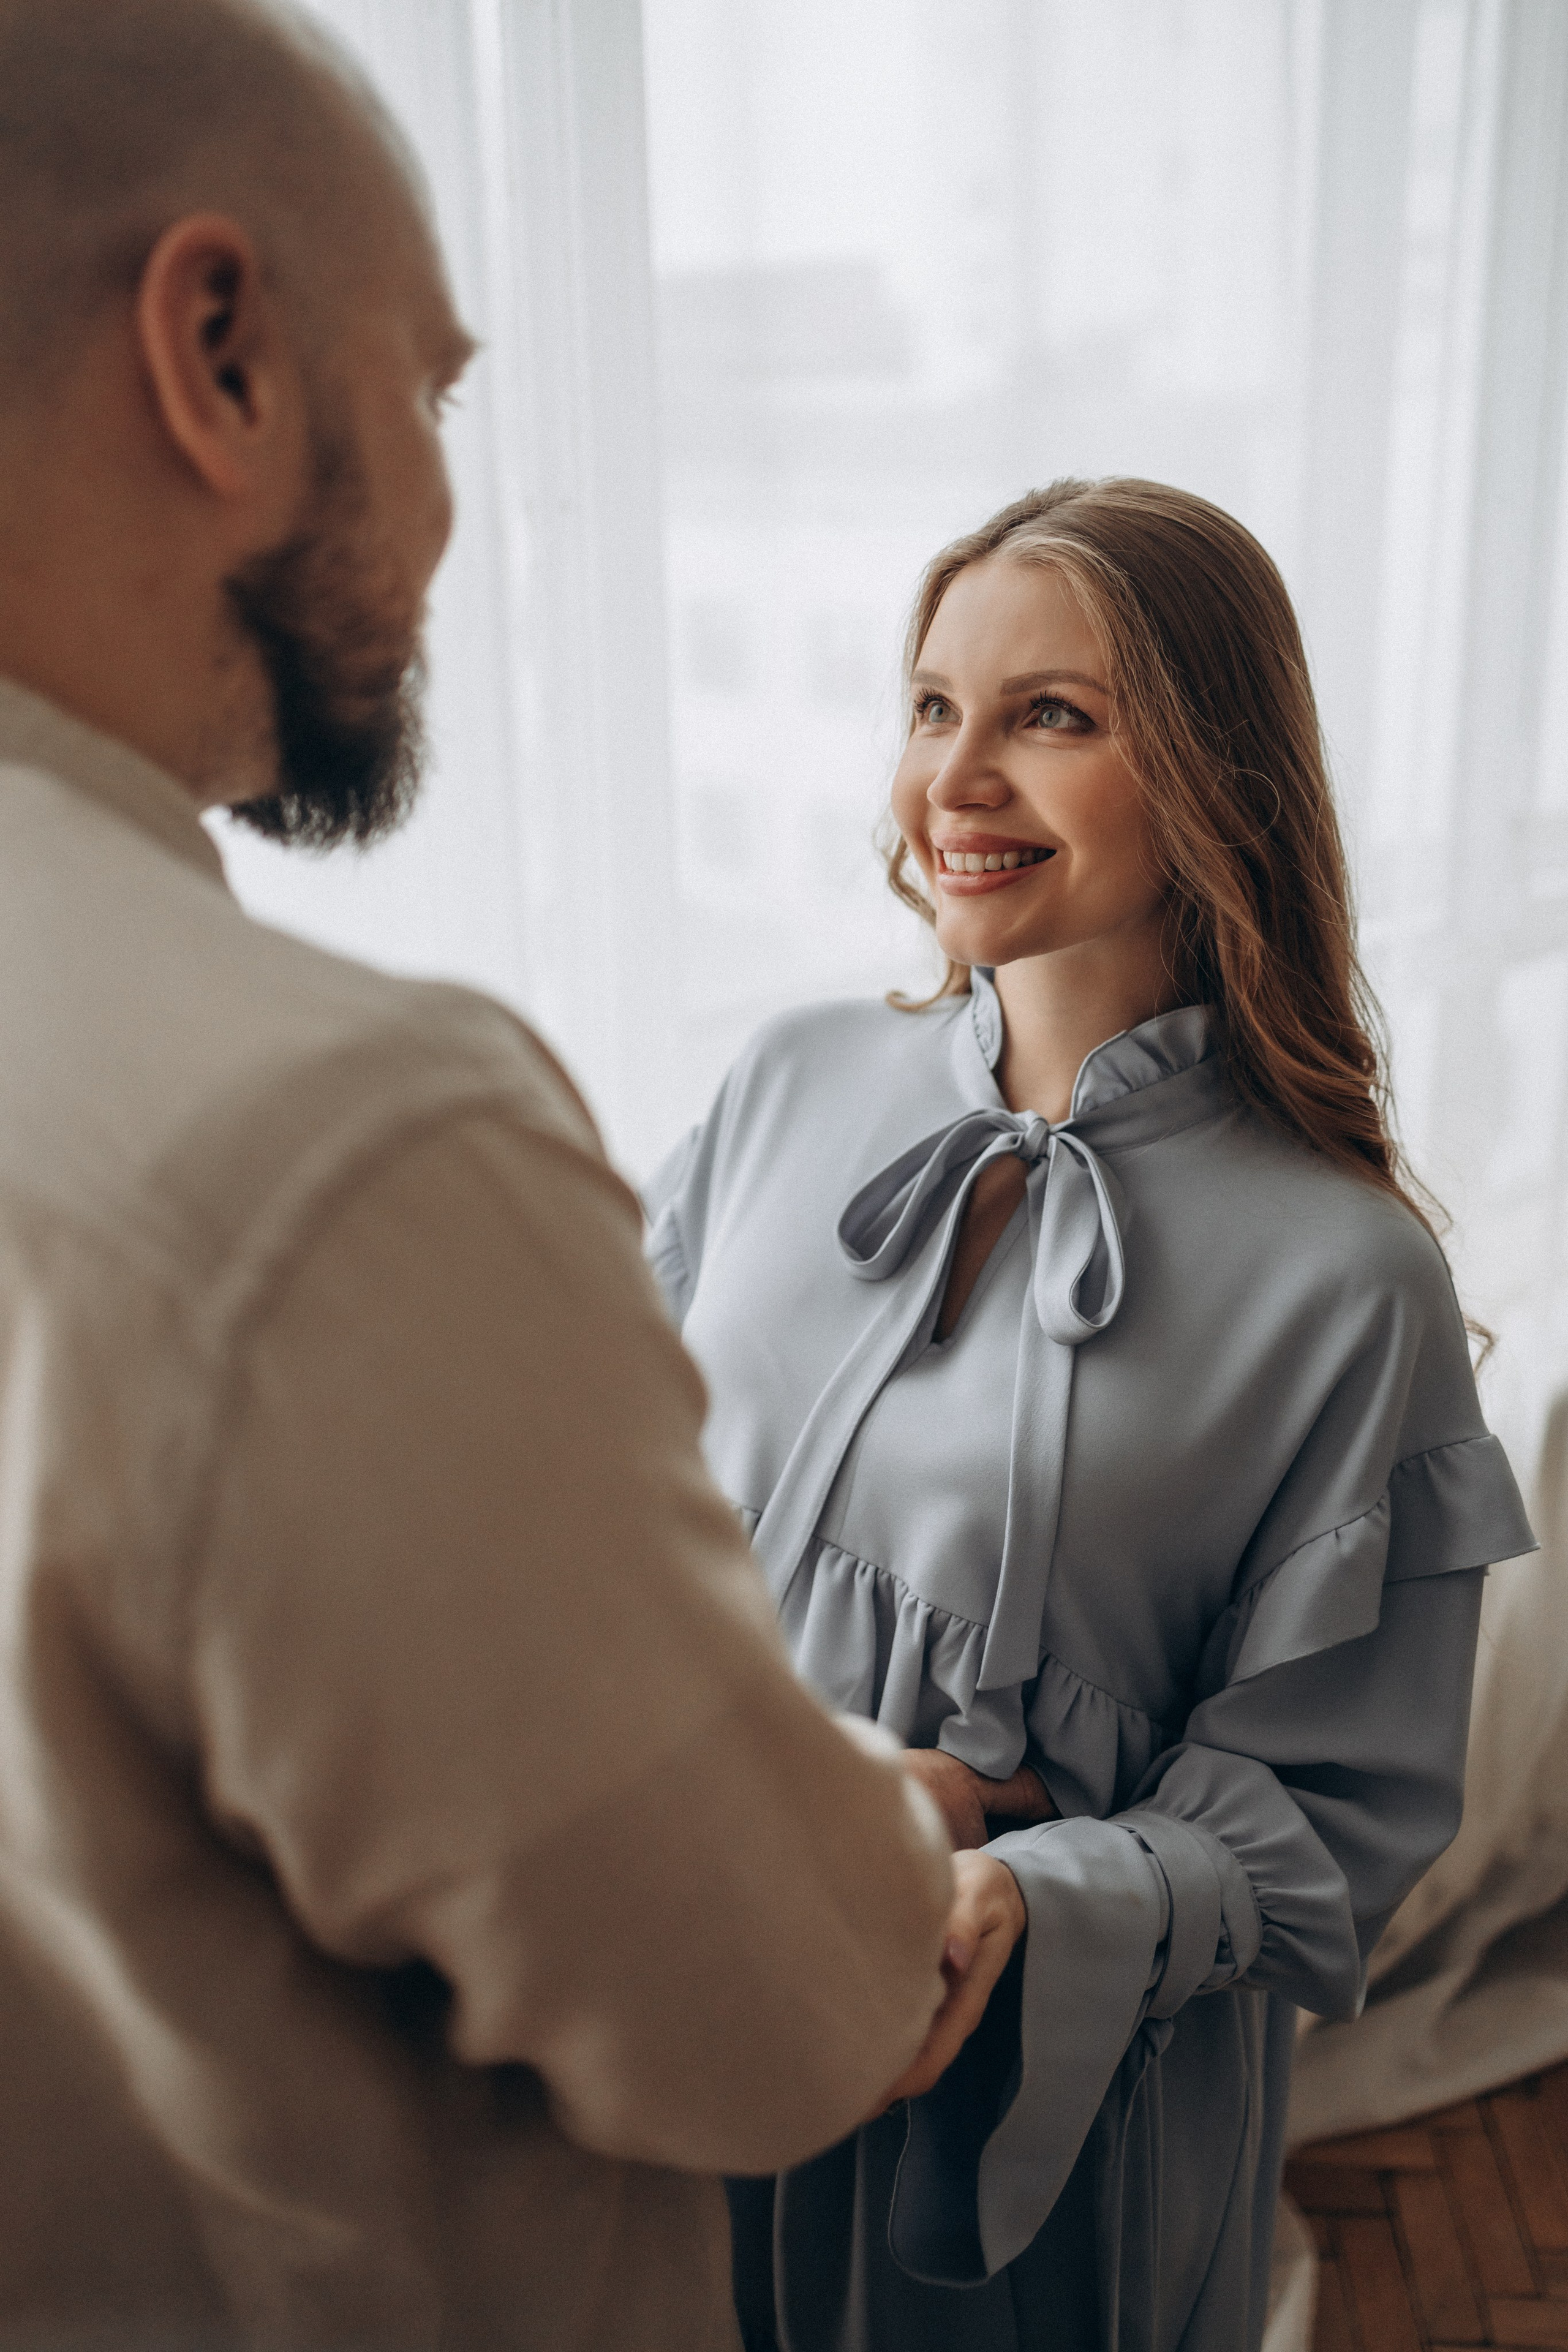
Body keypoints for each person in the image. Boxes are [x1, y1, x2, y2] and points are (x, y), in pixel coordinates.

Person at [0, 4, 969, 2345]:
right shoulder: (344, 1150)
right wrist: (881, 1841)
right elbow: (767, 2012)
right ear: (215, 351)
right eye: (432, 393)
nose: (447, 517)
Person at [646, 478, 1539, 2352]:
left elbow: (1331, 1826)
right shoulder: (785, 1079)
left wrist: (1010, 1874)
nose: (957, 777)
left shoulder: (1345, 1275)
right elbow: (611, 1500)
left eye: (1051, 715)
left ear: (1218, 773)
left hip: (1029, 2145)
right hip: (667, 1995)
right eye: (932, 705)